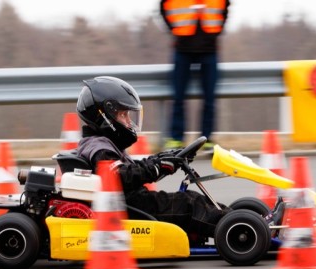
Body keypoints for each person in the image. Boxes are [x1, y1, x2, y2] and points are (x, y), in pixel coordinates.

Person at [75, 76, 283, 239]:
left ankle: (250, 220)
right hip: (128, 207)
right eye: (124, 115)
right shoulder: (98, 147)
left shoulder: (102, 143)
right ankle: (247, 228)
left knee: (193, 199)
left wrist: (162, 159)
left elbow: (129, 170)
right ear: (104, 116)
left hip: (133, 201)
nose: (129, 122)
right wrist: (155, 167)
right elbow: (119, 177)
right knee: (189, 204)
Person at [160, 0, 231, 151]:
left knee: (209, 100)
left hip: (209, 50)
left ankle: (206, 139)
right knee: (178, 98)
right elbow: (164, 7)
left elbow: (225, 7)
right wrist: (175, 30)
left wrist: (216, 32)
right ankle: (176, 139)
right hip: (182, 49)